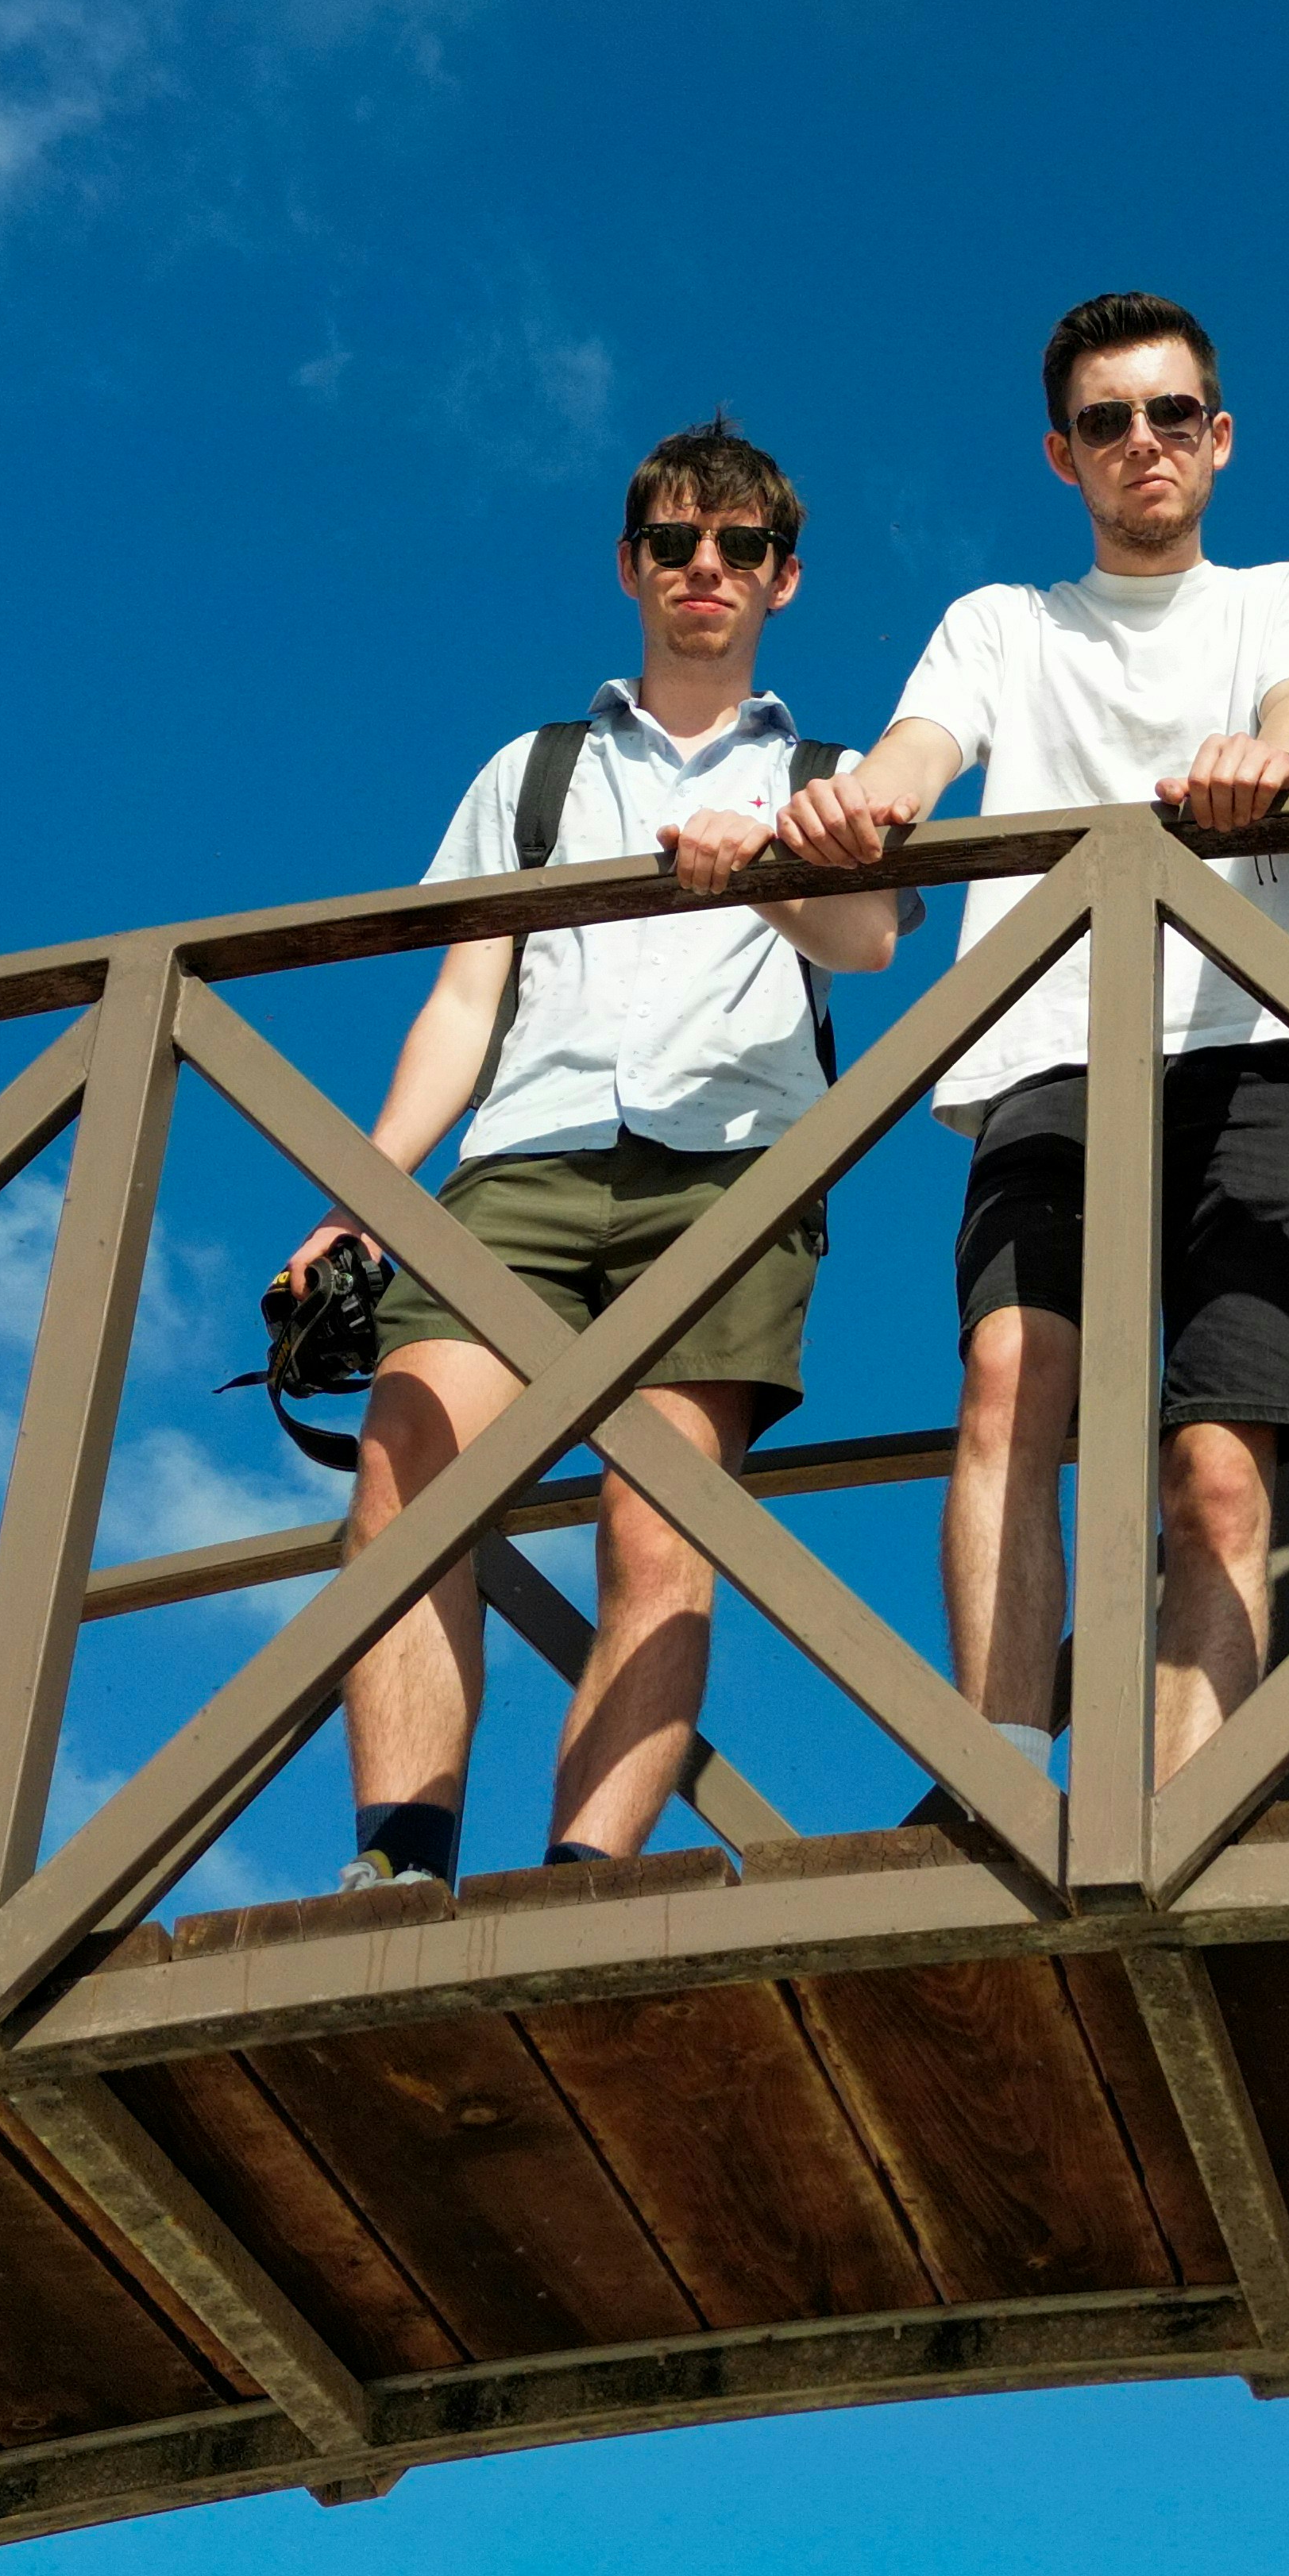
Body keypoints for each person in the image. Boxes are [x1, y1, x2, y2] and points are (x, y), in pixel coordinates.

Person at [698, 294, 1289, 1803]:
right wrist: (854, 809)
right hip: (1043, 1059)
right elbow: (918, 757)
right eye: (1104, 423)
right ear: (1061, 456)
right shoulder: (1003, 623)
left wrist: (1273, 754)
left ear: (1217, 438)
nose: (1138, 443)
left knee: (1222, 1448)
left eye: (1166, 415)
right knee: (1014, 1387)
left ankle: (1196, 1805)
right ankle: (1001, 1781)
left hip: (1253, 1051)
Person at [268, 416, 910, 1889]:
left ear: (783, 580)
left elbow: (870, 943)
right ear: (632, 566)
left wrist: (762, 869)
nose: (707, 569)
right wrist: (355, 1200)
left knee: (660, 1527)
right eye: (678, 543)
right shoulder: (532, 772)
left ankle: (580, 1884)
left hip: (732, 1174)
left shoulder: (833, 771)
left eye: (739, 548)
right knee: (406, 1466)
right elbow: (462, 1001)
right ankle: (402, 1869)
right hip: (525, 1160)